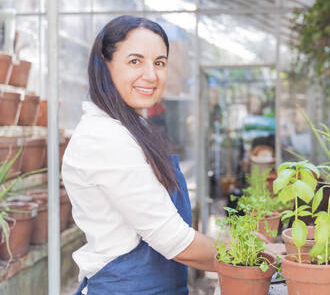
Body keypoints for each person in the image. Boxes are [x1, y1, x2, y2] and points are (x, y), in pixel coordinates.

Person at [62, 15, 216, 295]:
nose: (152, 75)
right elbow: (173, 240)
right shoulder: (104, 138)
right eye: (135, 61)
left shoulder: (132, 128)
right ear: (104, 65)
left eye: (159, 62)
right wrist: (252, 256)